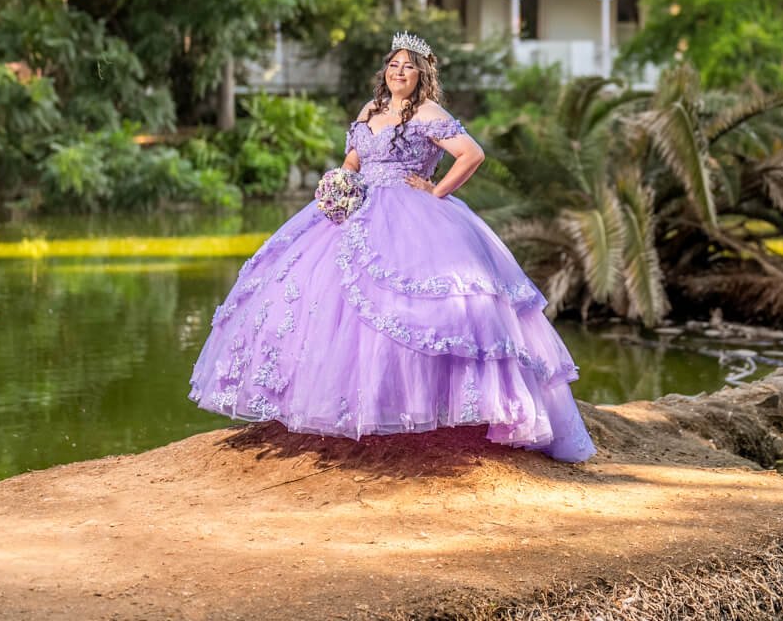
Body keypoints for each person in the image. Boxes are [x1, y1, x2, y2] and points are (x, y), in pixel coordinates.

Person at [188, 32, 596, 462]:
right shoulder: (371, 109)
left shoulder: (427, 111)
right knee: (322, 299)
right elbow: (352, 162)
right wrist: (339, 185)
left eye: (408, 66)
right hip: (357, 208)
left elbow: (471, 154)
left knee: (415, 305)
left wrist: (436, 190)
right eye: (394, 64)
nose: (399, 72)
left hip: (410, 214)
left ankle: (439, 413)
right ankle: (346, 408)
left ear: (422, 74)